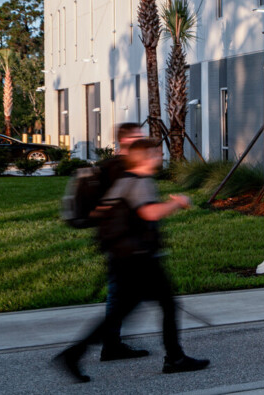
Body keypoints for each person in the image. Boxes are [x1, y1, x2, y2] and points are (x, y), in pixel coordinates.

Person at [54, 138, 209, 382]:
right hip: (139, 258)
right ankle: (174, 358)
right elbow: (149, 212)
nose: (161, 157)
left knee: (129, 310)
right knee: (164, 305)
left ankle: (75, 353)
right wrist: (178, 203)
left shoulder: (123, 180)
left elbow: (100, 211)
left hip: (123, 255)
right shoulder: (139, 182)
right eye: (157, 153)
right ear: (145, 158)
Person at [93, 122, 149, 361]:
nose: (142, 140)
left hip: (125, 240)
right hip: (123, 242)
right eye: (138, 136)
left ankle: (110, 343)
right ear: (125, 140)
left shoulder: (118, 166)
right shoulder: (117, 168)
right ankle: (107, 344)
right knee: (122, 295)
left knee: (124, 294)